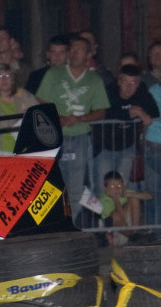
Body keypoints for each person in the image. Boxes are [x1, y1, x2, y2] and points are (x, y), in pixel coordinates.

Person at [36, 35, 109, 224]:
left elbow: (101, 111)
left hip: (80, 138)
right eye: (72, 49)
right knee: (51, 183)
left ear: (88, 55)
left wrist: (80, 119)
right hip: (54, 138)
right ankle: (51, 224)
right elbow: (41, 101)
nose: (75, 53)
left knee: (76, 186)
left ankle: (71, 224)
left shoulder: (94, 79)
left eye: (80, 49)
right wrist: (57, 119)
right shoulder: (54, 74)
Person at [93, 64, 157, 194]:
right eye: (125, 82)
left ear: (138, 83)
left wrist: (140, 111)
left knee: (123, 188)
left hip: (127, 147)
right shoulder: (109, 91)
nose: (129, 87)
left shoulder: (141, 91)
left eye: (133, 83)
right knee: (103, 188)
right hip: (105, 148)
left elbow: (154, 111)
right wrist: (130, 113)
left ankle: (121, 208)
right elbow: (105, 113)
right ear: (119, 81)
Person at [0, 63, 39, 155]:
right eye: (0, 76)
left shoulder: (24, 95)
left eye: (8, 76)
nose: (4, 79)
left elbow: (37, 114)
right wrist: (18, 121)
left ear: (13, 80)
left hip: (22, 150)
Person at [99, 171, 151, 246]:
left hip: (128, 229)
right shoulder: (104, 200)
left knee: (134, 199)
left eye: (119, 186)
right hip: (115, 235)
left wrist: (129, 194)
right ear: (106, 189)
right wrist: (115, 200)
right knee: (115, 216)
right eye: (113, 187)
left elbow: (149, 196)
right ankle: (132, 236)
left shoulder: (124, 193)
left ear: (123, 186)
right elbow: (121, 218)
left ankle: (135, 234)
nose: (117, 189)